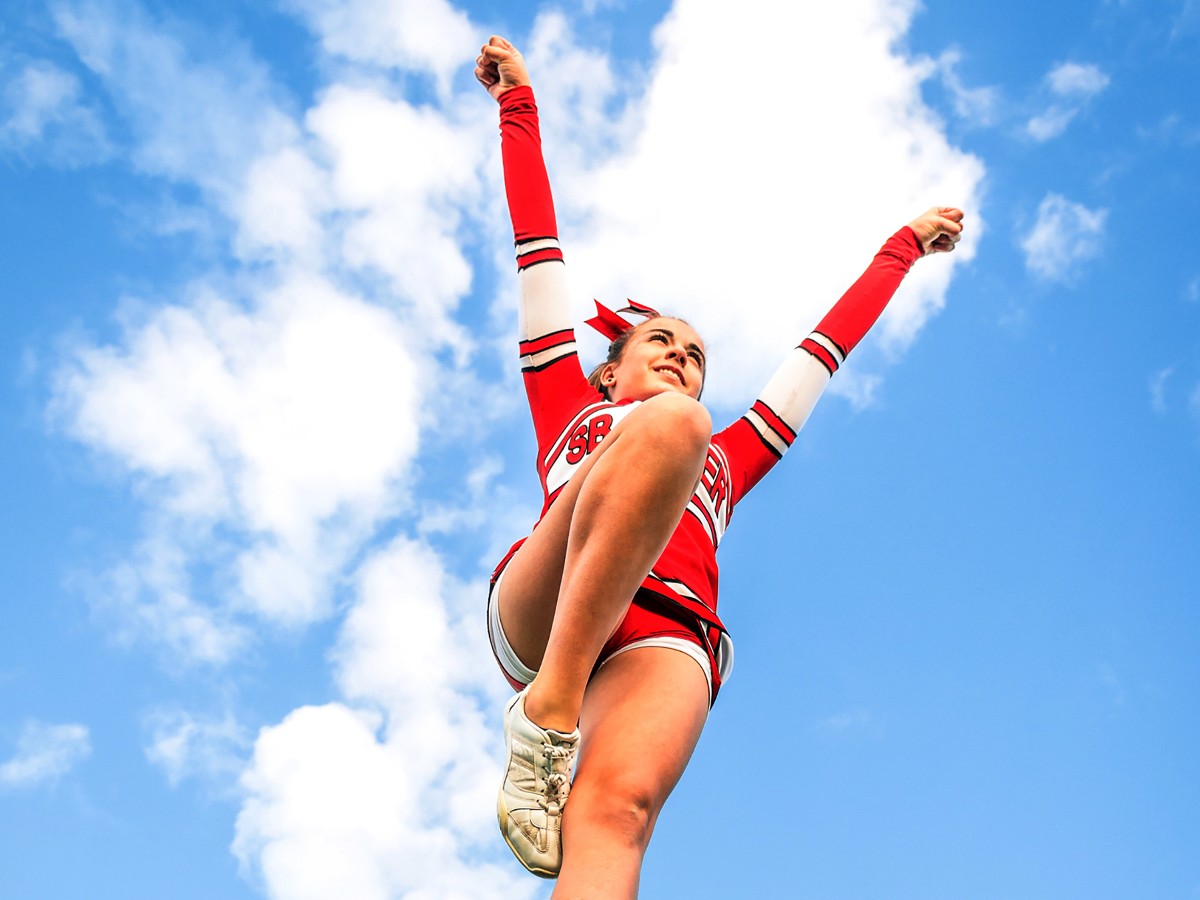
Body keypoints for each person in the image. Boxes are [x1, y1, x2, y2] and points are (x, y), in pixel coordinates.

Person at [475, 34, 963, 899]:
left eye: (696, 354)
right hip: (549, 604)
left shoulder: (728, 459)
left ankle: (563, 750)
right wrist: (520, 105)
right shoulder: (567, 402)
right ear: (607, 373)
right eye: (659, 341)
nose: (679, 354)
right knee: (674, 427)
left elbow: (823, 350)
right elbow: (536, 245)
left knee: (618, 814)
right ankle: (547, 713)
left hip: (664, 631)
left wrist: (901, 246)